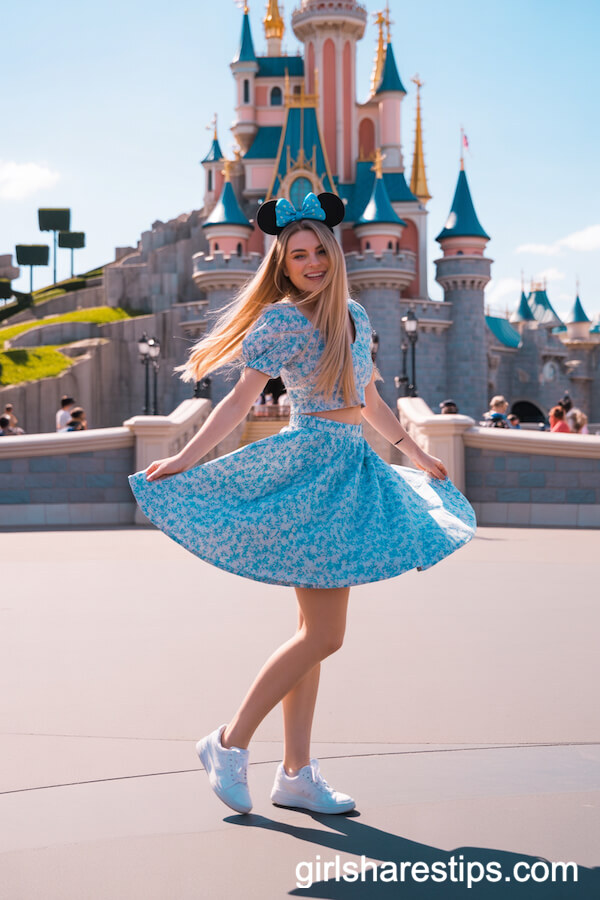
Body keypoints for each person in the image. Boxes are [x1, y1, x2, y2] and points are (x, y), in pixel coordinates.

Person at [128, 191, 476, 817]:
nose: (311, 263)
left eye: (318, 251)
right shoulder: (283, 320)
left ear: (334, 252)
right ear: (282, 265)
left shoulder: (354, 315)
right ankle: (228, 743)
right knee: (324, 634)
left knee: (312, 637)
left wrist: (413, 453)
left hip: (350, 468)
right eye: (297, 256)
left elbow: (367, 397)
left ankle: (296, 774)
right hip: (307, 470)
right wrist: (185, 458)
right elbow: (239, 401)